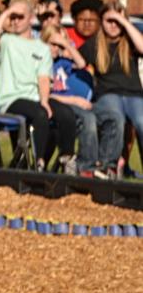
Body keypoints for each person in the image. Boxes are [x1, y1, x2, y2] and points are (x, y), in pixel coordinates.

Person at [0, 0, 78, 172]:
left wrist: (44, 99)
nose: (16, 20)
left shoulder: (41, 47)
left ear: (30, 18)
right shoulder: (6, 41)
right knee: (40, 114)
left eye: (20, 16)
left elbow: (43, 77)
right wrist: (7, 12)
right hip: (12, 100)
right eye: (13, 16)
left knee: (66, 114)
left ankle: (67, 159)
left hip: (35, 99)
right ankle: (38, 163)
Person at [80, 3, 143, 178]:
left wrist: (124, 22)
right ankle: (108, 165)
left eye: (118, 21)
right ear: (101, 21)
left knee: (141, 121)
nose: (114, 25)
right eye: (109, 20)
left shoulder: (130, 41)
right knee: (117, 117)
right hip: (108, 94)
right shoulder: (94, 44)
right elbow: (76, 60)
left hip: (134, 94)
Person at [42, 18, 99, 176]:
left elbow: (81, 64)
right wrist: (75, 100)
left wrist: (67, 45)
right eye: (53, 45)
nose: (56, 49)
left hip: (68, 104)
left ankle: (88, 166)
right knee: (86, 119)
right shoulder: (42, 63)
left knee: (92, 117)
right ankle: (84, 166)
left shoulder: (62, 62)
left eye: (60, 46)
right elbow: (46, 94)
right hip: (55, 103)